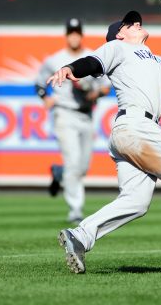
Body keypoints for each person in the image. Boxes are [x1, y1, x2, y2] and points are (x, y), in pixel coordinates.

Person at [47, 0, 161, 275]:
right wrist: (71, 68)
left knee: (137, 202)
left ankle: (80, 236)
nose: (135, 23)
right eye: (129, 22)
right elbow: (93, 61)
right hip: (136, 127)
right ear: (120, 33)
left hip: (130, 133)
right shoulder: (119, 48)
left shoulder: (158, 63)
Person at [35, 17, 110, 223]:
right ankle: (75, 209)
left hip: (86, 114)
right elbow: (39, 83)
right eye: (71, 33)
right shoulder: (55, 59)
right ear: (67, 36)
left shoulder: (91, 57)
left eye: (77, 33)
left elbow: (105, 86)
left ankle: (60, 173)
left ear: (81, 35)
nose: (74, 36)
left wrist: (96, 94)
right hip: (64, 113)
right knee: (74, 161)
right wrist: (45, 97)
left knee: (83, 166)